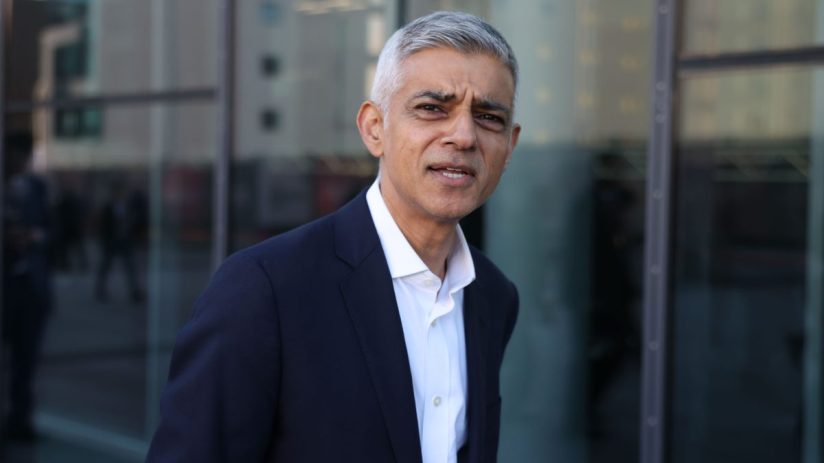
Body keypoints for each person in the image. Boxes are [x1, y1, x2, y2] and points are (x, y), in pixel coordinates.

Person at [147, 10, 521, 463]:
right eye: (432, 108)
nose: (463, 135)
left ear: (510, 146)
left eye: (488, 117)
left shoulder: (493, 297)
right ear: (374, 128)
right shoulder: (264, 290)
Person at [2, 131, 53, 441]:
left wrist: (33, 238)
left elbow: (52, 229)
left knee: (26, 362)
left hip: (30, 290)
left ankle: (20, 421)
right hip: (6, 286)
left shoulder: (37, 188)